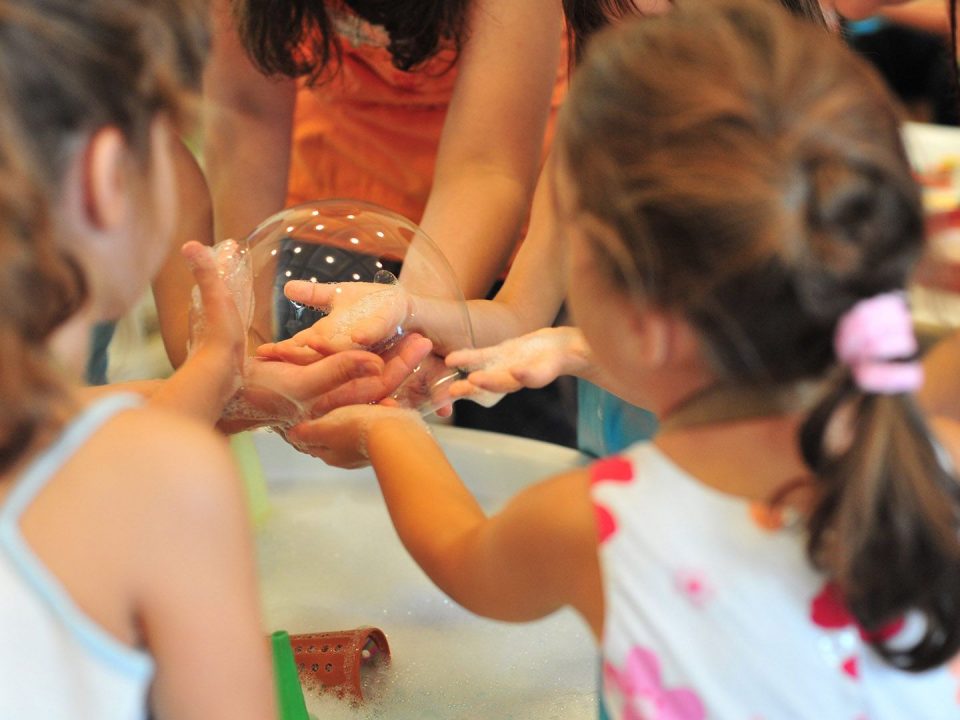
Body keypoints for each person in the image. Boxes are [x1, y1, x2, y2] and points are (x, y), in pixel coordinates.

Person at [281, 1, 960, 716]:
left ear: (642, 321)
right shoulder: (932, 466)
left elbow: (463, 555)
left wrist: (383, 429)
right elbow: (515, 313)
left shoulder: (606, 519)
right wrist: (412, 308)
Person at [0, 1, 281, 716]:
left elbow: (79, 438)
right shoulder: (169, 482)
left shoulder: (105, 448)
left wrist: (215, 373)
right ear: (107, 176)